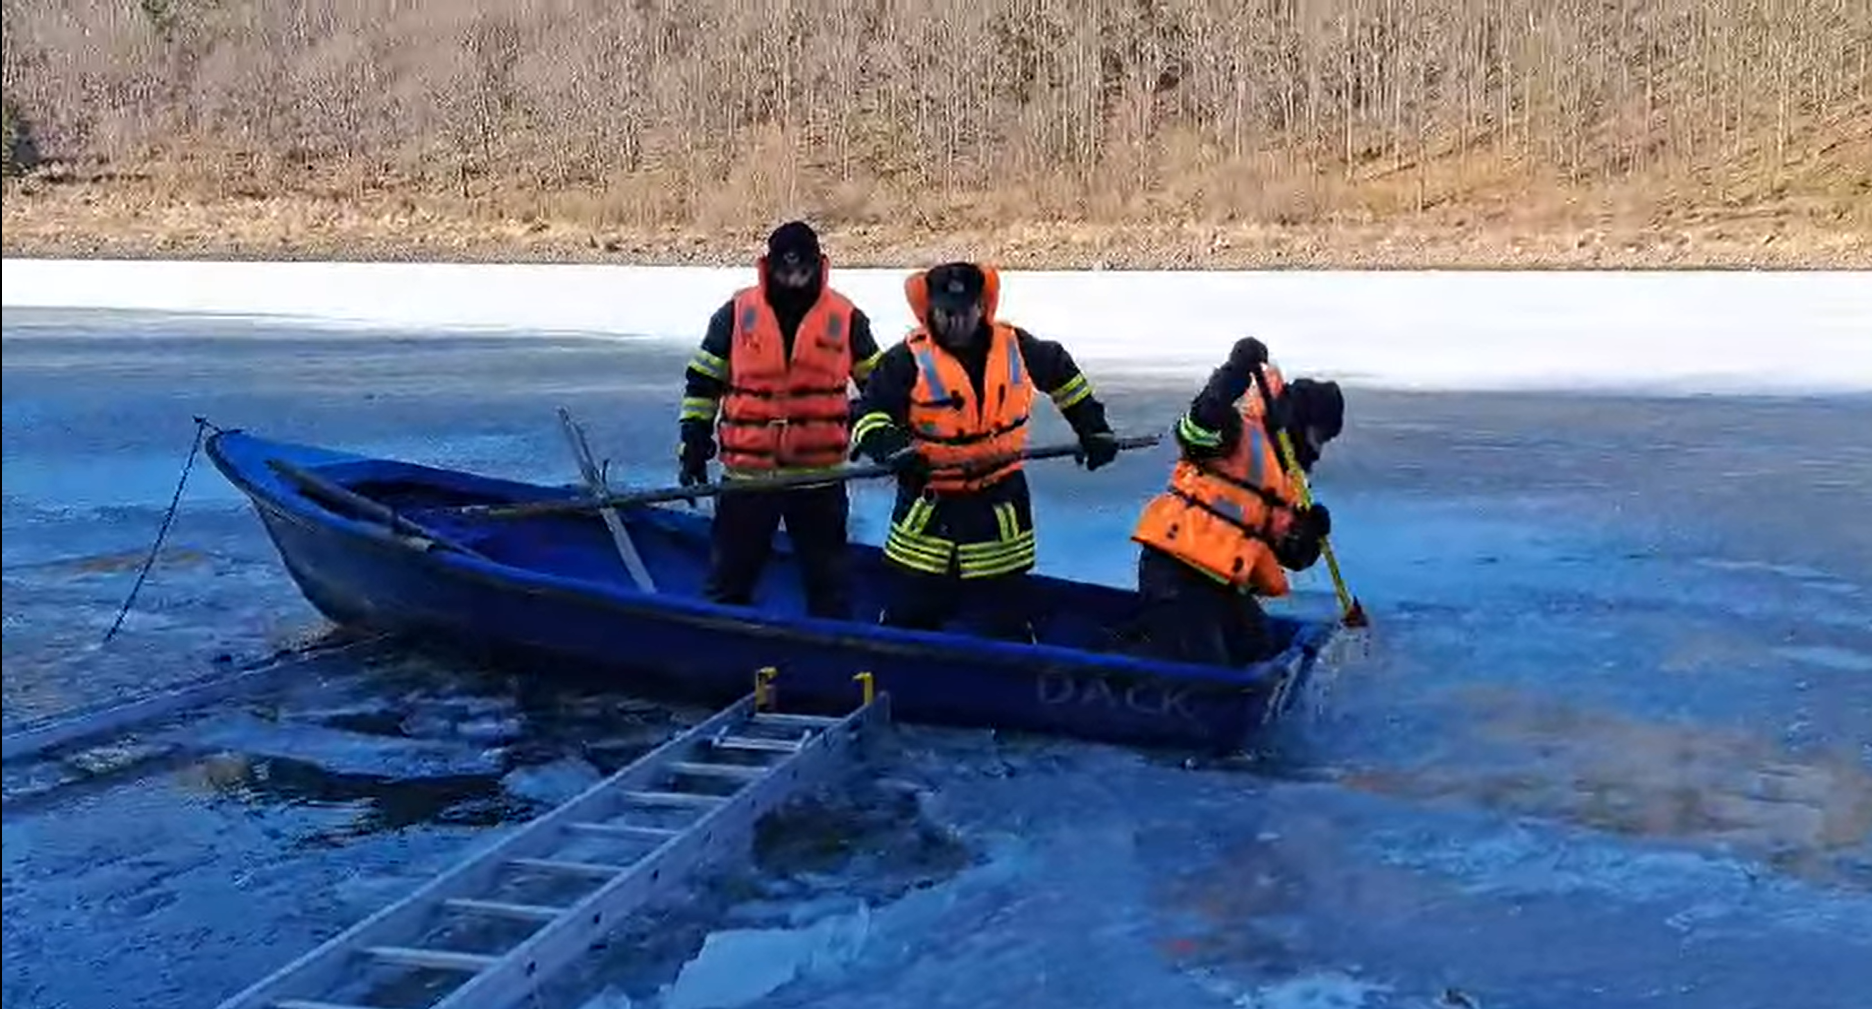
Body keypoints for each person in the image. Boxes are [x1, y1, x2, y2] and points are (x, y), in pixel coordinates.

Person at [847, 261, 1121, 640]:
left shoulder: (1015, 347)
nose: (955, 322)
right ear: (931, 311)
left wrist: (1092, 426)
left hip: (997, 505)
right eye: (946, 313)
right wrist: (893, 450)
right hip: (929, 508)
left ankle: (1010, 670)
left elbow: (1061, 373)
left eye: (965, 312)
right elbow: (868, 415)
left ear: (982, 308)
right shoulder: (905, 360)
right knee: (911, 612)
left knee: (1003, 613)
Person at [678, 220, 885, 619]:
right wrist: (693, 439)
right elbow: (704, 381)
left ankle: (833, 652)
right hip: (748, 476)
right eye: (784, 270)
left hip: (818, 477)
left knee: (828, 583)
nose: (793, 280)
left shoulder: (845, 317)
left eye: (802, 271)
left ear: (818, 266)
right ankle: (722, 646)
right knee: (730, 578)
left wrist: (872, 424)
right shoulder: (736, 314)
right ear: (768, 266)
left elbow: (879, 385)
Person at [1128, 336, 1344, 666]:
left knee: (1257, 647)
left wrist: (1309, 534)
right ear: (1300, 422)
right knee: (1204, 663)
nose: (1317, 447)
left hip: (1223, 584)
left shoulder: (1289, 476)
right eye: (1317, 435)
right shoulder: (1237, 431)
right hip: (1176, 571)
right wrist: (1233, 373)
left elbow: (1286, 552)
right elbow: (1194, 429)